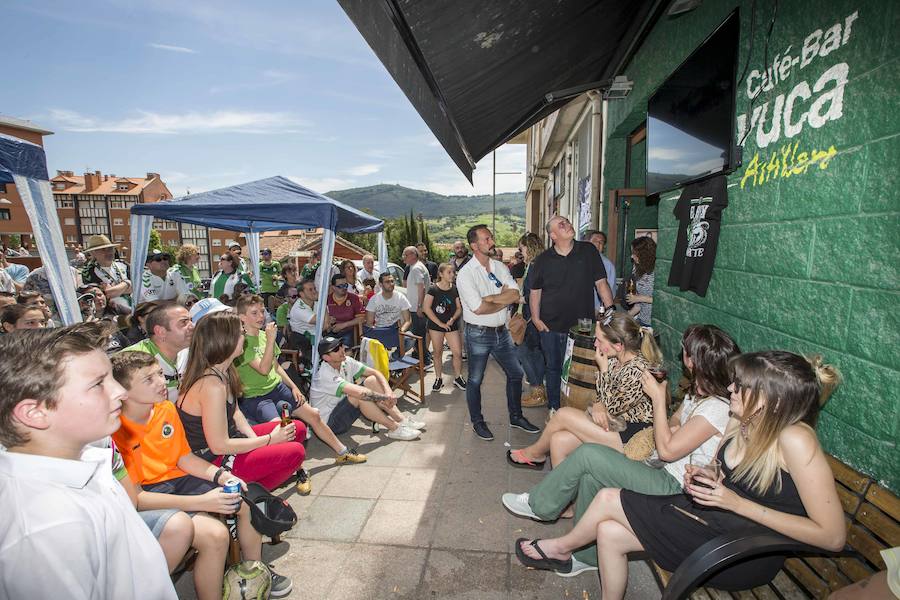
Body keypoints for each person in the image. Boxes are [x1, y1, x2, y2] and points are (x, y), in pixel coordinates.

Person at [514, 351, 845, 600]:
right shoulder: (741, 419)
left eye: (742, 385)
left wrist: (736, 503)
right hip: (712, 522)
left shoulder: (796, 440)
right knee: (609, 532)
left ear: (771, 401)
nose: (731, 387)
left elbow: (832, 537)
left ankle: (560, 547)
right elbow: (719, 469)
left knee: (606, 499)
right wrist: (703, 474)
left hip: (742, 551)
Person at [503, 324, 740, 573]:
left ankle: (541, 505)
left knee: (588, 454)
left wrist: (659, 402)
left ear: (694, 361)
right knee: (589, 475)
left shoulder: (717, 407)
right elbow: (673, 423)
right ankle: (587, 557)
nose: (683, 356)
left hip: (674, 486)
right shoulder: (697, 392)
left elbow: (668, 450)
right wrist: (672, 429)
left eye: (686, 352)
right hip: (659, 464)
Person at [0, 323, 177, 599]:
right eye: (98, 384)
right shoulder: (46, 526)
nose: (119, 391)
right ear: (34, 413)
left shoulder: (88, 460)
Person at [110, 351, 292, 599]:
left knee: (243, 499)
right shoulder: (115, 430)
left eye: (160, 374)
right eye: (148, 380)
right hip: (152, 496)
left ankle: (255, 570)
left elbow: (183, 458)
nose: (162, 383)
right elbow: (139, 499)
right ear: (123, 391)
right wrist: (202, 502)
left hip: (179, 480)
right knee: (215, 536)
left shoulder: (165, 409)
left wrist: (221, 476)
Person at [176, 310, 308, 493]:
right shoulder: (211, 385)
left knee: (297, 429)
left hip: (229, 443)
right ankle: (252, 496)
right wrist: (269, 440)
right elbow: (218, 445)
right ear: (225, 339)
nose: (244, 336)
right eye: (241, 332)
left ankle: (254, 492)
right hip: (213, 459)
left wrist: (258, 442)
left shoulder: (225, 370)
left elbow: (236, 413)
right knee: (296, 452)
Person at [507, 312, 661, 468]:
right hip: (614, 424)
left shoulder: (638, 370)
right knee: (558, 441)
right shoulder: (617, 359)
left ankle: (534, 454)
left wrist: (603, 371)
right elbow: (604, 402)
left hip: (632, 435)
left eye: (599, 341)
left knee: (563, 414)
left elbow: (612, 408)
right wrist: (600, 403)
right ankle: (559, 490)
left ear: (618, 345)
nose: (595, 345)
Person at [234, 295, 367, 468]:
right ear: (242, 317)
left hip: (277, 387)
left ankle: (343, 452)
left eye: (262, 311)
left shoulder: (265, 335)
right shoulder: (241, 342)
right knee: (282, 432)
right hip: (257, 397)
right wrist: (270, 340)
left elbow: (276, 366)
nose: (261, 316)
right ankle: (299, 471)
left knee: (314, 415)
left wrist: (294, 387)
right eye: (254, 313)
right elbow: (263, 369)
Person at [456, 224, 540, 441]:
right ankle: (477, 422)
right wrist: (501, 300)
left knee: (516, 374)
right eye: (486, 239)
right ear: (474, 245)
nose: (491, 242)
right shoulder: (465, 274)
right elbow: (478, 308)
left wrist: (492, 299)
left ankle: (516, 416)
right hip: (478, 334)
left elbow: (514, 293)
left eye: (491, 237)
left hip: (502, 333)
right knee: (475, 379)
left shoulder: (499, 267)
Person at [530, 216, 614, 417]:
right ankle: (554, 409)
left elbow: (601, 283)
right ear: (553, 235)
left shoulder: (588, 251)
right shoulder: (542, 260)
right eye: (561, 225)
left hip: (583, 328)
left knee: (581, 371)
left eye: (567, 221)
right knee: (553, 369)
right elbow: (535, 292)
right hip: (550, 326)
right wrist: (535, 318)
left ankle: (579, 410)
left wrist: (611, 314)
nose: (568, 225)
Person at [311, 336, 423, 441]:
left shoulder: (346, 361)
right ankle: (395, 428)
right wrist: (384, 397)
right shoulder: (325, 375)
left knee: (371, 380)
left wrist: (389, 392)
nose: (341, 349)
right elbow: (360, 393)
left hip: (343, 409)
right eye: (335, 349)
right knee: (359, 396)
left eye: (340, 345)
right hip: (329, 425)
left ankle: (401, 420)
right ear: (326, 357)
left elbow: (375, 372)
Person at [122, 301, 194, 402]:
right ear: (161, 332)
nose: (193, 326)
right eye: (184, 322)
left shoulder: (189, 351)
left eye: (191, 320)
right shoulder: (131, 359)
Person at [515, 232, 547, 408]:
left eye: (522, 248)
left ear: (530, 247)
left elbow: (535, 295)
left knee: (525, 353)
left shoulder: (534, 266)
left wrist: (517, 298)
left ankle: (537, 390)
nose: (521, 252)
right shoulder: (537, 265)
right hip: (535, 317)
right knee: (534, 354)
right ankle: (538, 389)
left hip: (532, 318)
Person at [423, 263, 466, 392]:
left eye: (453, 272)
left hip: (451, 326)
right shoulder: (433, 289)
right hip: (435, 327)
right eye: (449, 272)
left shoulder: (455, 289)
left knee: (457, 353)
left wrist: (452, 319)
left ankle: (458, 377)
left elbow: (459, 308)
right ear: (441, 274)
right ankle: (438, 378)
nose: (452, 275)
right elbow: (426, 308)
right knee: (437, 352)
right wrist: (440, 324)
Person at [82, 234, 133, 313]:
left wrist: (118, 287)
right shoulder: (88, 272)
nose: (108, 252)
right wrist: (127, 284)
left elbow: (136, 287)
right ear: (93, 253)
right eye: (103, 249)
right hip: (110, 313)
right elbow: (105, 294)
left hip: (132, 307)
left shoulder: (123, 264)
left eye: (110, 248)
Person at [289, 278, 331, 363]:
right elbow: (325, 323)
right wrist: (322, 301)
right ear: (302, 294)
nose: (314, 291)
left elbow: (327, 325)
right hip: (302, 342)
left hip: (317, 338)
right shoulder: (299, 308)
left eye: (315, 288)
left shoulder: (316, 303)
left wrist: (322, 303)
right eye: (310, 289)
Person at [402, 246, 432, 364]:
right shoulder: (416, 267)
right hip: (417, 307)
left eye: (406, 255)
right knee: (420, 334)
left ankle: (424, 359)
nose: (404, 258)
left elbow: (421, 288)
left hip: (417, 308)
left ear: (413, 255)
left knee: (419, 335)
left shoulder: (416, 269)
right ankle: (422, 356)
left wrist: (420, 306)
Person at [326, 272, 365, 348]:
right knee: (327, 349)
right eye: (340, 286)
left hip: (348, 331)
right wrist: (327, 320)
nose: (344, 288)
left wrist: (344, 325)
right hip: (330, 331)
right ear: (333, 287)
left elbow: (362, 318)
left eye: (346, 285)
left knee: (345, 350)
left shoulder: (354, 298)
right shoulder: (327, 299)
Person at [626, 236, 656, 327]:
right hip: (641, 320)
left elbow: (662, 301)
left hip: (654, 322)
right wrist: (625, 316)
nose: (632, 256)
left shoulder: (658, 270)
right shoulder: (637, 269)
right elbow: (639, 304)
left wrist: (639, 298)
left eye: (634, 253)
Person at [583, 229, 617, 298]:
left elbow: (611, 290)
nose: (598, 244)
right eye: (595, 241)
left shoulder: (608, 265)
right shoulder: (579, 260)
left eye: (601, 242)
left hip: (598, 307)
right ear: (587, 242)